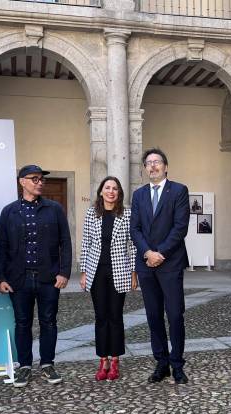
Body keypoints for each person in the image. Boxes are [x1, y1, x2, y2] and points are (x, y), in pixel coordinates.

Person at [0, 164, 72, 388]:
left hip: (48, 278)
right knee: (22, 323)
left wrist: (64, 272)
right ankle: (25, 366)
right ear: (22, 182)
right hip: (19, 279)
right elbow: (1, 246)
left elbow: (66, 242)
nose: (40, 183)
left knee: (49, 321)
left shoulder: (54, 209)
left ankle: (47, 364)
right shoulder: (9, 211)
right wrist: (0, 278)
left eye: (41, 179)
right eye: (34, 179)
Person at [130, 148, 191, 384]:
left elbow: (180, 227)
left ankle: (177, 365)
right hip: (146, 264)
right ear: (145, 169)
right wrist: (148, 253)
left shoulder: (179, 191)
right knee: (153, 315)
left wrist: (160, 253)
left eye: (157, 162)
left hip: (170, 263)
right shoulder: (138, 195)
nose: (153, 166)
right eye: (148, 163)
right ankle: (162, 363)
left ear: (165, 166)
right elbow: (135, 229)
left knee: (175, 315)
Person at [79, 176, 137, 381]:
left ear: (119, 193)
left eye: (115, 188)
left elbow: (132, 245)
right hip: (96, 271)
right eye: (107, 188)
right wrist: (84, 272)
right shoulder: (92, 213)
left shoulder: (127, 214)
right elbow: (86, 242)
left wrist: (133, 273)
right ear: (101, 192)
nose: (111, 191)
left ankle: (115, 361)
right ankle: (103, 360)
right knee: (101, 317)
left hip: (119, 271)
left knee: (115, 316)